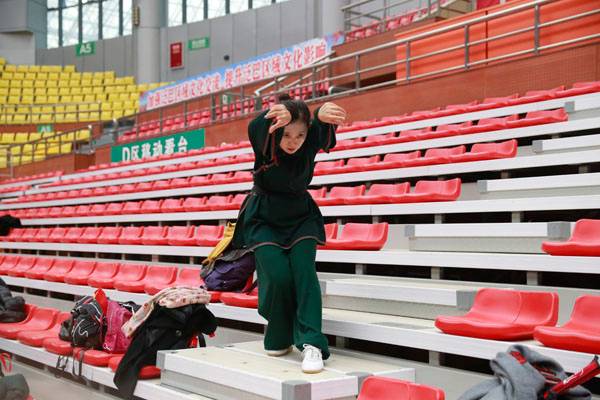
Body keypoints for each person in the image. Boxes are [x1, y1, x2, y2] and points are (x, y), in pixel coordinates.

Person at [230, 94, 347, 373]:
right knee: (278, 277)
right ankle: (279, 332)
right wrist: (273, 116)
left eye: (300, 135)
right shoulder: (266, 142)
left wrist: (319, 116)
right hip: (263, 217)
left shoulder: (309, 141)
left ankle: (312, 343)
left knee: (305, 274)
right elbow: (255, 128)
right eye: (287, 134)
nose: (293, 141)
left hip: (301, 217)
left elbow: (321, 130)